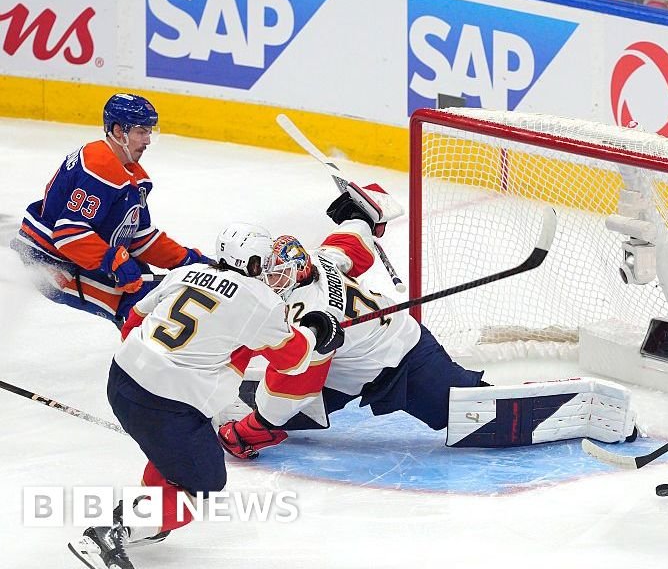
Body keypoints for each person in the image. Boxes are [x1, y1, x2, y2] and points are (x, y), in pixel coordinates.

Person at [217, 180, 638, 458]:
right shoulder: (316, 263)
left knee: (475, 414)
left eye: (278, 270)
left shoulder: (305, 315)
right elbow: (350, 243)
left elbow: (295, 382)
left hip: (403, 357)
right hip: (347, 368)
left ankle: (587, 408)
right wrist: (364, 211)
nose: (278, 275)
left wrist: (255, 429)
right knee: (278, 404)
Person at [68, 223, 346, 569]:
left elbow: (133, 321)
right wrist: (316, 330)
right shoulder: (259, 301)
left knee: (176, 452)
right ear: (253, 263)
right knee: (204, 482)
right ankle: (110, 533)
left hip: (122, 379)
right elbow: (292, 361)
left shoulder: (187, 272)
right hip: (168, 405)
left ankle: (144, 518)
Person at [10, 93, 209, 327]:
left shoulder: (131, 173)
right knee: (139, 301)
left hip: (78, 258)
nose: (147, 140)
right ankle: (138, 350)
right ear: (118, 131)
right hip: (51, 263)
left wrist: (186, 259)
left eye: (149, 132)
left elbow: (139, 237)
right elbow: (69, 234)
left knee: (154, 287)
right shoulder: (99, 166)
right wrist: (113, 261)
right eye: (141, 132)